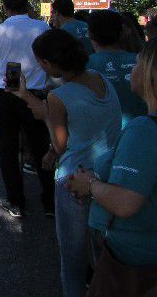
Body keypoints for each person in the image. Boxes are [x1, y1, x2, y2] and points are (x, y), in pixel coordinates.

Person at [10, 29, 121, 297]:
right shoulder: (103, 81)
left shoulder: (60, 96)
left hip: (73, 180)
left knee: (71, 256)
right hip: (106, 176)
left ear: (48, 64)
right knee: (101, 253)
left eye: (39, 61)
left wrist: (33, 103)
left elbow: (60, 143)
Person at [69, 39, 157, 280]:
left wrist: (88, 184)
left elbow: (125, 202)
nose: (132, 68)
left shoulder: (144, 130)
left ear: (150, 75)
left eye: (137, 63)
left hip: (132, 258)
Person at [0, 0, 54, 218]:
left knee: (8, 148)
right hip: (36, 93)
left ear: (5, 7)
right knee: (40, 147)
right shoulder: (43, 27)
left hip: (7, 89)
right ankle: (50, 203)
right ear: (27, 4)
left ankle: (16, 202)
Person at [87, 10, 148, 128]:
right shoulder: (143, 62)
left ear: (90, 34)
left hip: (103, 139)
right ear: (121, 32)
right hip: (140, 131)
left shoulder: (83, 66)